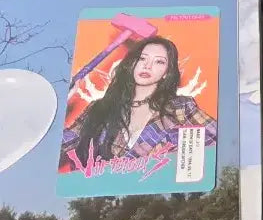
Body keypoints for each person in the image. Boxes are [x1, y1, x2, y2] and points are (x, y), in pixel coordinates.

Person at [60, 37, 217, 168]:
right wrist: (63, 102)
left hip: (156, 194)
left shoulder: (180, 108)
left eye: (159, 62)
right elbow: (59, 145)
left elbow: (218, 146)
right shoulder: (100, 109)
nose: (147, 66)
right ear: (132, 64)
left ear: (166, 73)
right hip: (100, 194)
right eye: (142, 58)